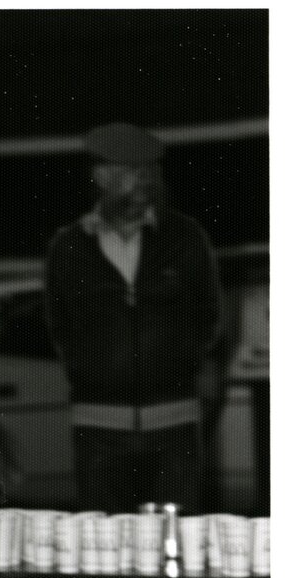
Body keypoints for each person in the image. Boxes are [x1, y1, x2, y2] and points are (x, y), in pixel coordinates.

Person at [45, 122, 223, 518]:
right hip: (99, 426)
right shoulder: (69, 247)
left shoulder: (186, 237)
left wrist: (185, 364)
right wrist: (88, 369)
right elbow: (59, 325)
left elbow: (209, 315)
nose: (144, 181)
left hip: (174, 421)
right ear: (102, 177)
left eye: (149, 171)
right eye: (131, 171)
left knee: (176, 538)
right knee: (104, 540)